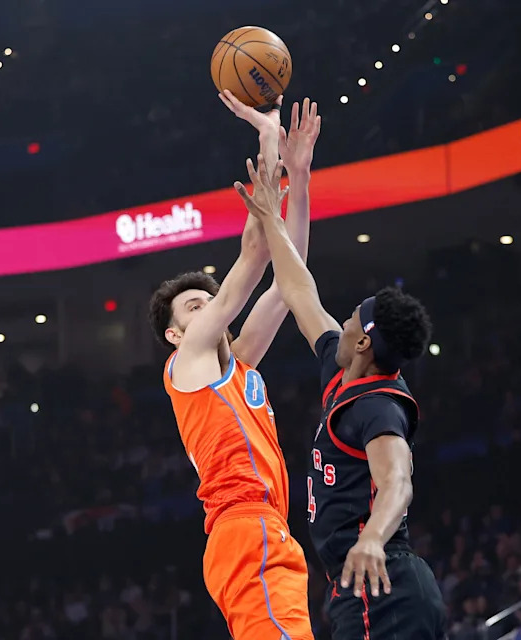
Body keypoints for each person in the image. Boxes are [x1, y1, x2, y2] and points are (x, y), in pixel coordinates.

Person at [236, 156, 445, 637]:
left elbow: (397, 481)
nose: (343, 318)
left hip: (381, 581)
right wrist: (291, 188)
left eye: (353, 315)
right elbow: (297, 289)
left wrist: (372, 538)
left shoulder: (378, 405)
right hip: (363, 585)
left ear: (364, 341)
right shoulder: (341, 371)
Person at [149, 93, 321, 640]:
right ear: (177, 334)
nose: (210, 308)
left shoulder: (239, 361)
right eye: (195, 307)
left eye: (210, 301)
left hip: (264, 527)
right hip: (245, 526)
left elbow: (290, 270)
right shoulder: (189, 360)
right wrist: (268, 137)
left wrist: (300, 172)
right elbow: (252, 255)